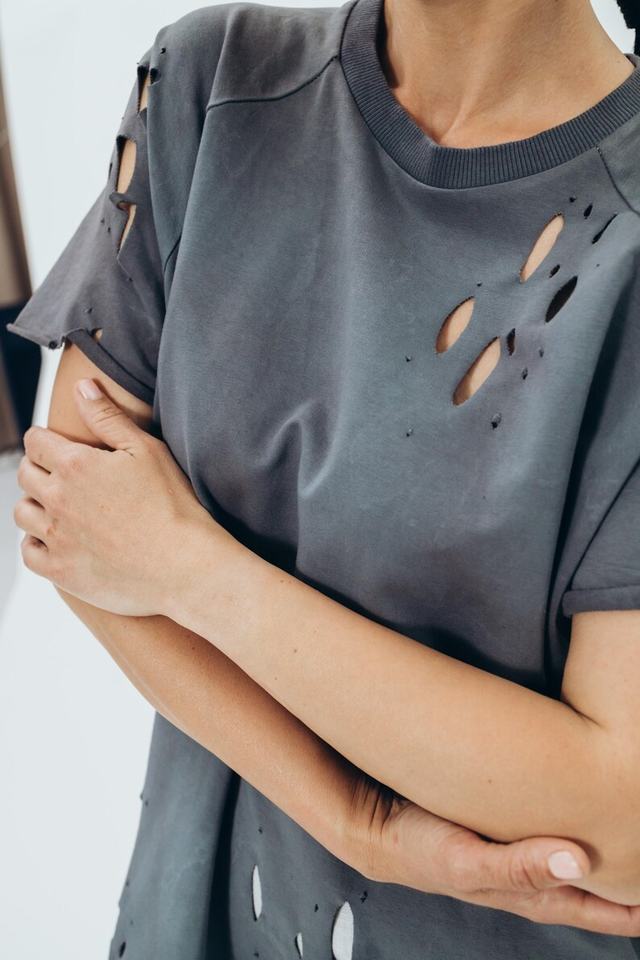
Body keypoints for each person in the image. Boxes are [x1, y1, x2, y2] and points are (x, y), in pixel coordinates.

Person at [8, 0, 640, 957]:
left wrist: (192, 571)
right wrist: (355, 821)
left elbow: (619, 821)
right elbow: (71, 516)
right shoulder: (214, 83)